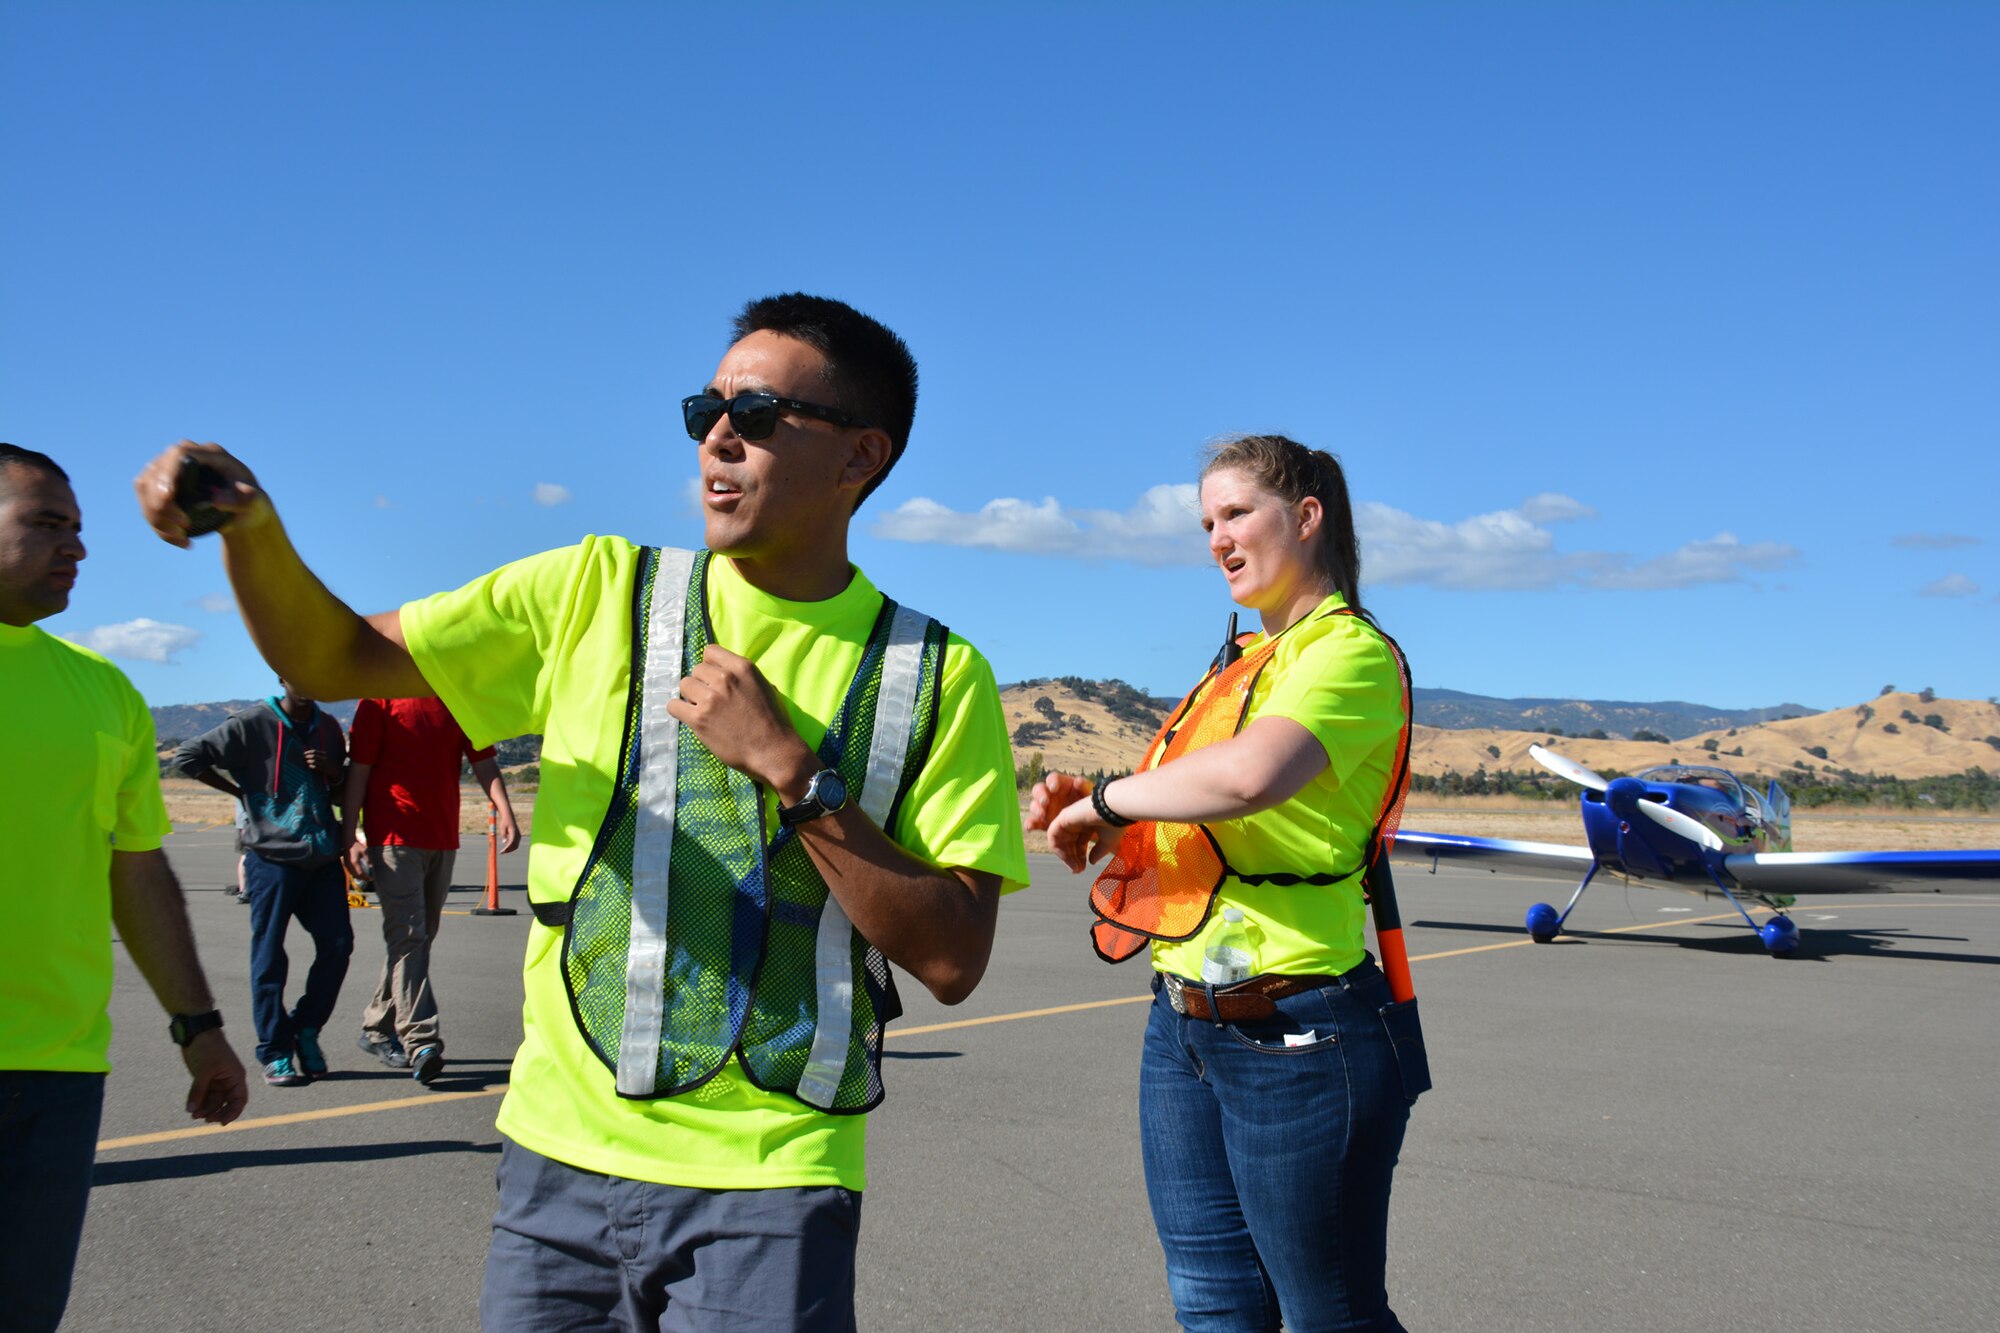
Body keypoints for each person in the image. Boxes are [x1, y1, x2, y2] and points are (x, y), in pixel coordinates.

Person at [135, 292, 1028, 1331]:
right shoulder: (594, 591)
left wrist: (796, 772)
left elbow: (953, 957)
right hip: (555, 1168)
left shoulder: (934, 673)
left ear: (859, 457)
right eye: (706, 411)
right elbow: (333, 657)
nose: (720, 436)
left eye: (761, 413)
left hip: (772, 1181)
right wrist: (253, 530)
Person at [1029, 434, 1424, 1332]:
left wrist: (1104, 799)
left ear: (1308, 516)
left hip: (1301, 1031)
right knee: (1212, 1303)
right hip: (1182, 1026)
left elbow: (1250, 776)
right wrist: (1098, 807)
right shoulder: (1244, 664)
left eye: (1237, 512)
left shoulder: (1347, 654)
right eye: (1207, 521)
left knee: (1330, 1313)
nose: (1216, 538)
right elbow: (1192, 800)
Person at [0, 443, 249, 1333]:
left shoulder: (104, 692)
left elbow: (137, 869)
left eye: (78, 527)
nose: (76, 546)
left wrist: (201, 1031)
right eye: (46, 523)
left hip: (58, 1075)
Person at [174, 679, 353, 1088]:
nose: (306, 681)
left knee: (338, 945)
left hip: (321, 856)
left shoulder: (328, 727)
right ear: (280, 677)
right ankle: (274, 1050)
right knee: (270, 955)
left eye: (313, 673)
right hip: (271, 858)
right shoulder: (251, 723)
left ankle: (305, 1029)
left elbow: (340, 791)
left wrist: (333, 770)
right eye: (295, 673)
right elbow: (188, 756)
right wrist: (240, 792)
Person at [341, 695, 521, 1083]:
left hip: (441, 836)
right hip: (393, 837)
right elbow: (359, 769)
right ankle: (421, 1040)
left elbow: (483, 759)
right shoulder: (379, 700)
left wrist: (505, 810)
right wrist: (349, 836)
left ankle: (376, 1025)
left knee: (417, 940)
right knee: (409, 937)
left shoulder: (456, 696)